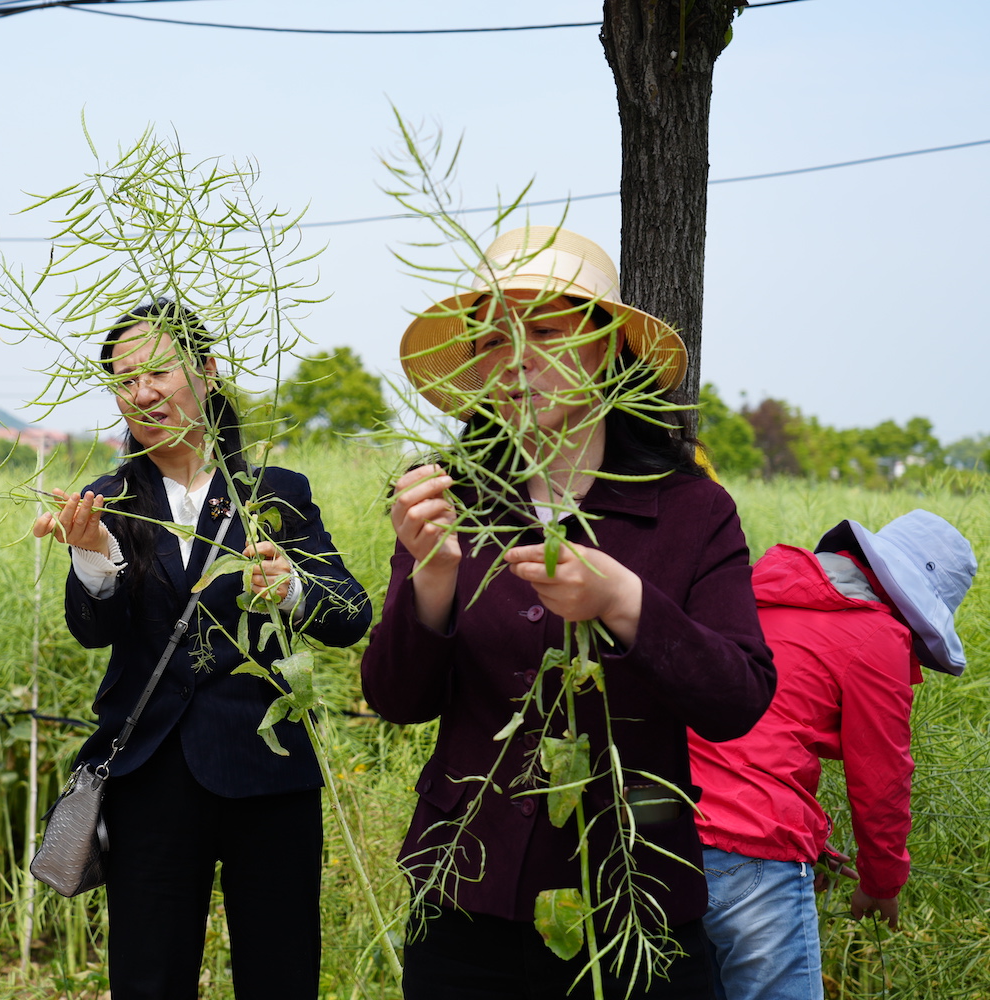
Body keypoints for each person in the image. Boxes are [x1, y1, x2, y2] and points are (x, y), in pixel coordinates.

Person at [360, 226, 777, 999]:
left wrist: (624, 602)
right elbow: (396, 700)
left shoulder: (693, 511)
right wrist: (432, 581)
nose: (514, 360)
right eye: (492, 340)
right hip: (466, 893)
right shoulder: (450, 502)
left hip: (635, 902)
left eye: (545, 331)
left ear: (605, 347)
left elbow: (738, 699)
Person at [31, 299, 371, 1000]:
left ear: (208, 373)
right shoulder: (107, 500)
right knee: (148, 974)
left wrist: (292, 591)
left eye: (158, 369)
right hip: (150, 775)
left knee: (280, 972)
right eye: (124, 380)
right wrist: (93, 558)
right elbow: (93, 630)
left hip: (269, 773)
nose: (142, 392)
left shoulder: (272, 492)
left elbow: (350, 612)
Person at [689, 510, 977, 1000]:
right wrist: (882, 880)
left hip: (665, 833)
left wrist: (812, 843)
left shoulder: (752, 589)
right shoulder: (878, 636)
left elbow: (754, 734)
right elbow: (883, 778)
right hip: (756, 852)